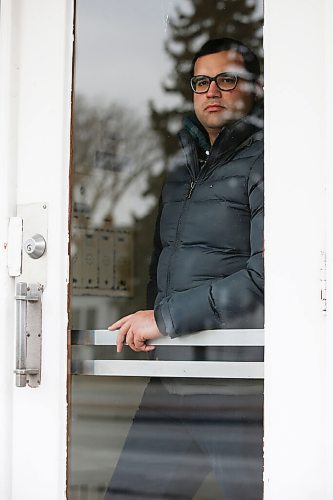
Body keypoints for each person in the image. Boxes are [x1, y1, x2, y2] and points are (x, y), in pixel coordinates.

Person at [105, 38, 264, 500]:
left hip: (237, 390)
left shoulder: (272, 162)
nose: (212, 90)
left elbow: (267, 277)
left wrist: (163, 319)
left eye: (227, 79)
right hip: (172, 382)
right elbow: (162, 263)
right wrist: (155, 320)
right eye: (201, 81)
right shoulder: (182, 172)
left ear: (254, 88)